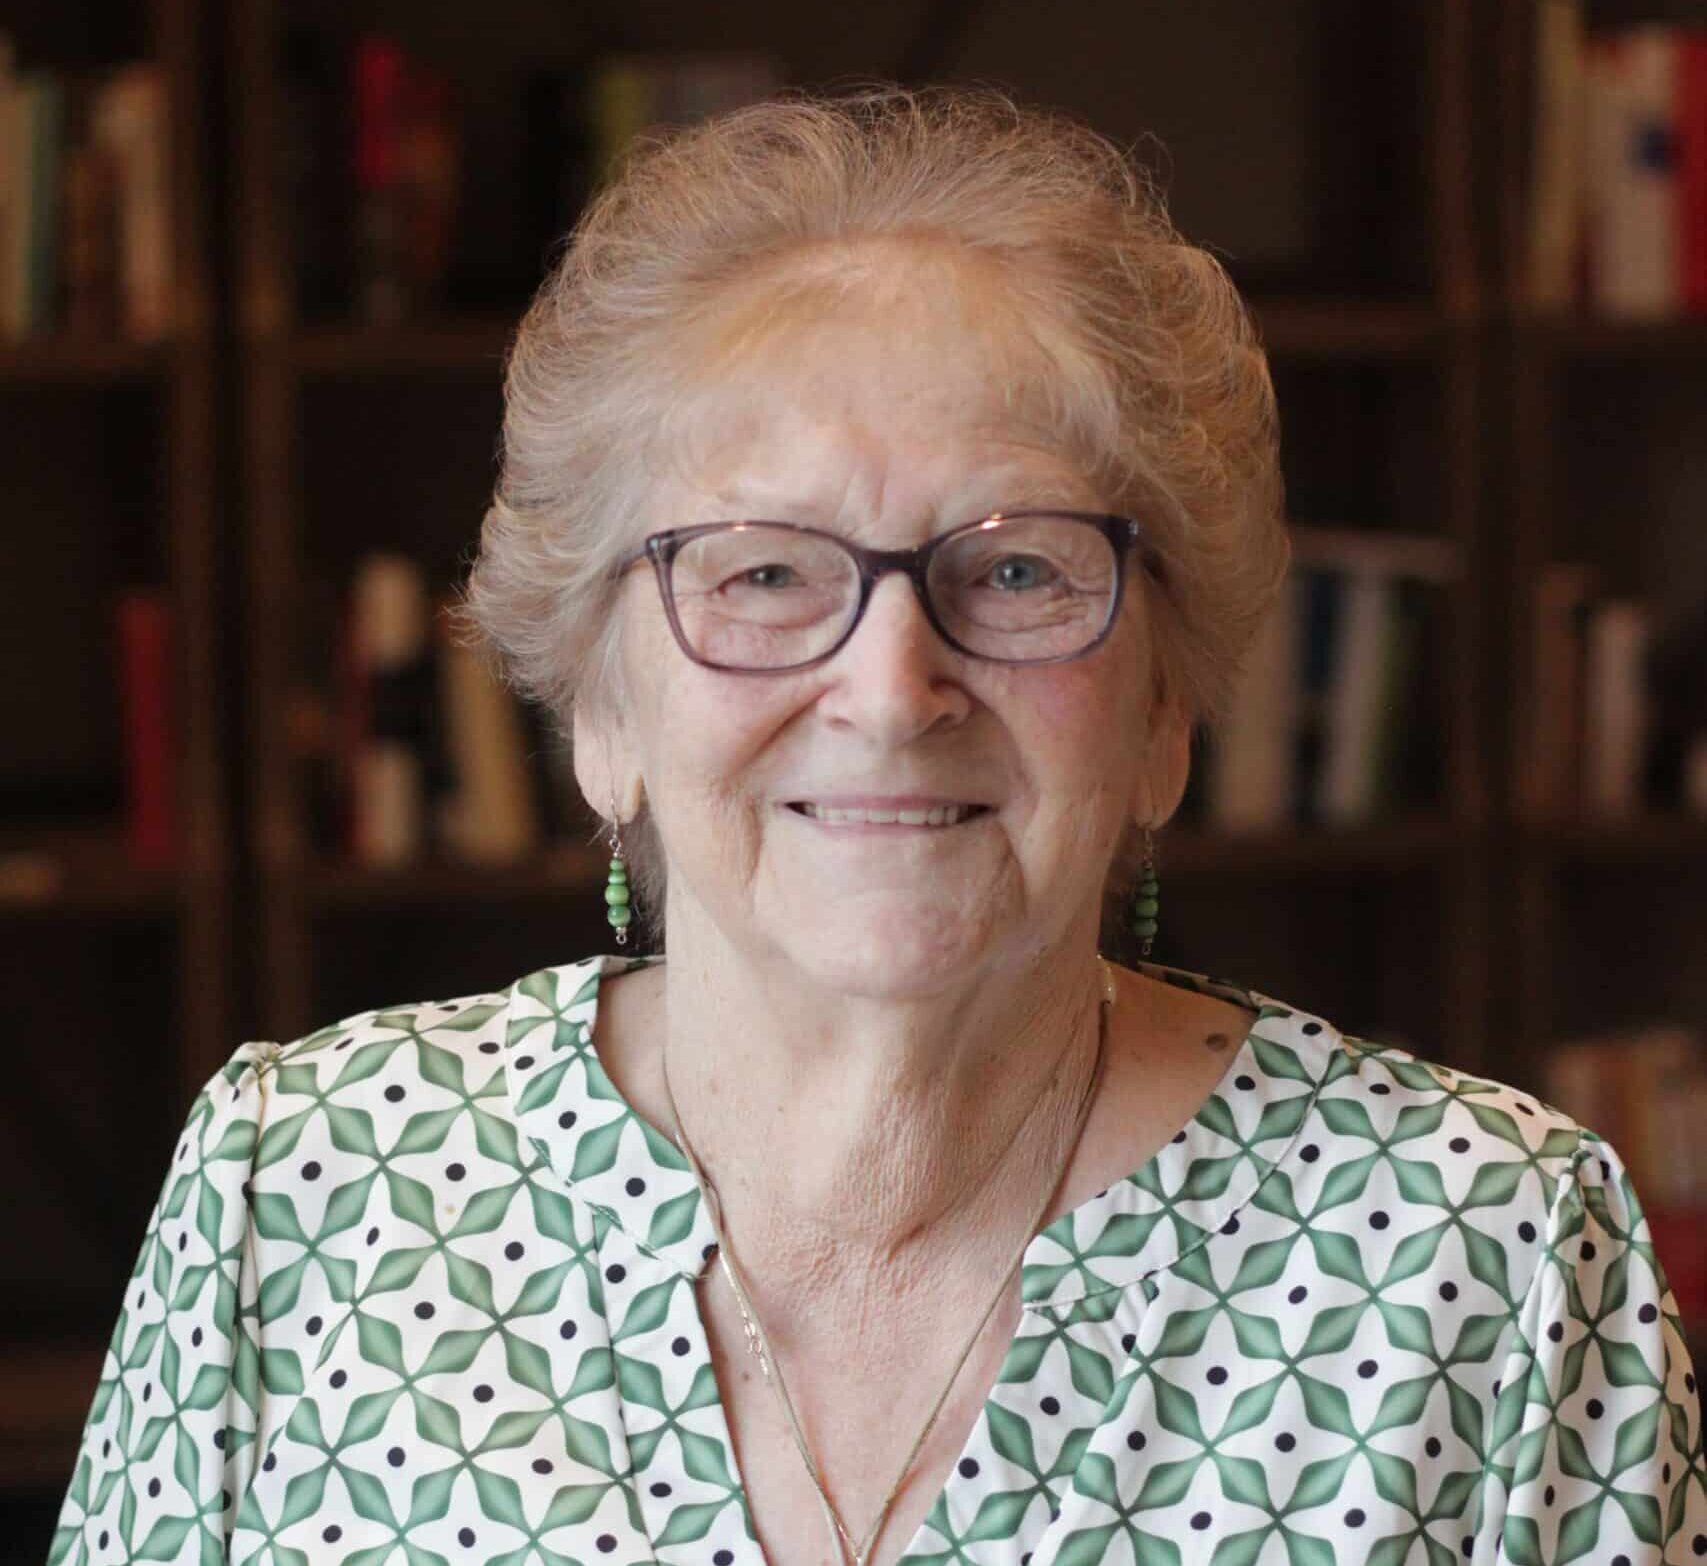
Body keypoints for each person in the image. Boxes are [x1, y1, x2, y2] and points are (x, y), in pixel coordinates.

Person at [52, 86, 1704, 1566]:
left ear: (1166, 715)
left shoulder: (1483, 1256)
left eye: (1015, 570)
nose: (894, 685)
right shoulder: (305, 1191)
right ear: (603, 713)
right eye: (766, 571)